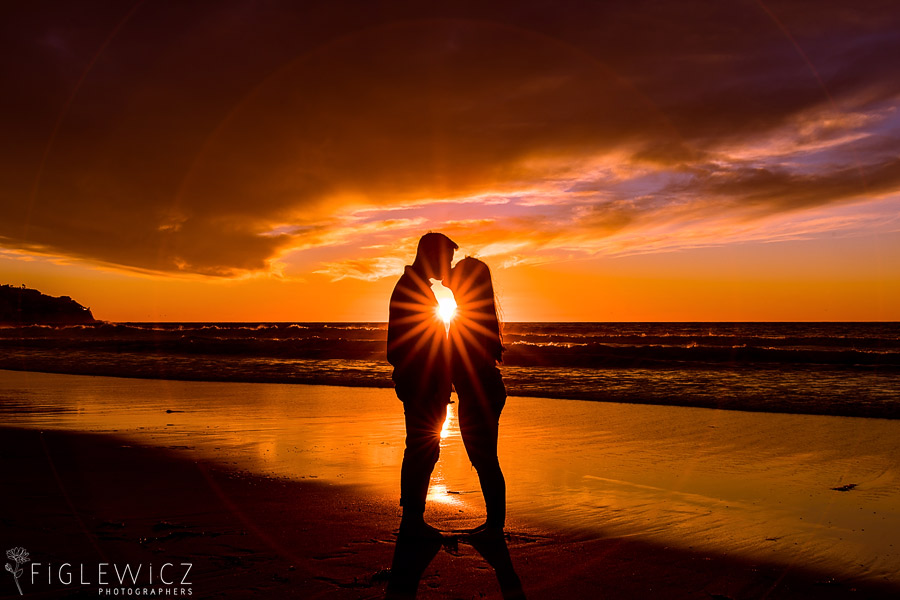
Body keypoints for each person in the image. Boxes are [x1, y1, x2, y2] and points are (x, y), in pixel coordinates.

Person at [387, 232, 458, 537]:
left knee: (424, 447)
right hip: (422, 383)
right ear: (434, 256)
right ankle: (413, 515)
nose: (450, 266)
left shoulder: (415, 288)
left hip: (423, 382)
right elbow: (402, 345)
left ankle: (414, 513)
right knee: (422, 446)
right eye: (448, 259)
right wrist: (429, 381)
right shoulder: (411, 290)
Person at [447, 256, 507, 535]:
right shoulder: (474, 311)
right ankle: (494, 523)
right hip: (483, 391)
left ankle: (494, 525)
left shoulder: (468, 314)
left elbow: (462, 359)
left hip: (479, 393)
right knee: (484, 460)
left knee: (485, 461)